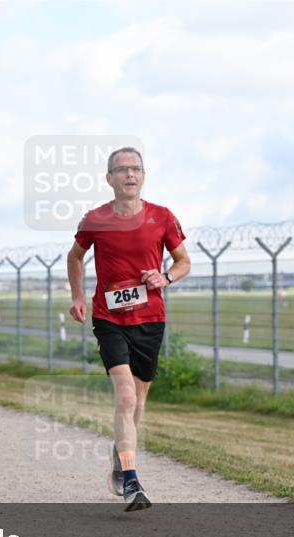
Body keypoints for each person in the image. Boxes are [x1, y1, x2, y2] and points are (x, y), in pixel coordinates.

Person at [66, 147, 190, 512]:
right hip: (109, 318)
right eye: (122, 170)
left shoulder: (162, 217)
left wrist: (164, 276)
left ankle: (120, 459)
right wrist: (78, 296)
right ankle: (132, 480)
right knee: (126, 397)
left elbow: (183, 262)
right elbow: (74, 256)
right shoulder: (95, 219)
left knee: (137, 402)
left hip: (150, 318)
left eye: (136, 169)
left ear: (144, 175)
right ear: (109, 178)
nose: (130, 175)